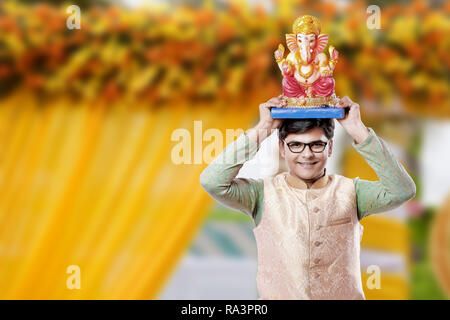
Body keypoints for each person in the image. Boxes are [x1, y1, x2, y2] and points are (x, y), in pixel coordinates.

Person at [199, 95, 416, 300]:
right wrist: (261, 130)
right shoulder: (261, 194)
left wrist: (358, 130)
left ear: (329, 147)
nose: (307, 154)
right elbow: (212, 181)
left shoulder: (352, 192)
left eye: (316, 144)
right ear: (282, 148)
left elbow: (402, 190)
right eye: (296, 145)